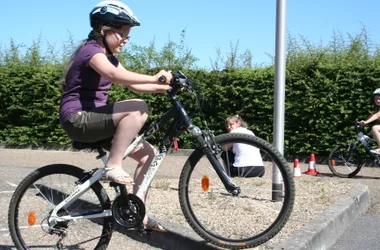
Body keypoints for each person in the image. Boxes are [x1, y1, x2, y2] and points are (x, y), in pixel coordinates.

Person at [59, 0, 172, 231]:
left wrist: (167, 88)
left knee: (148, 155)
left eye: (127, 35)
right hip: (78, 118)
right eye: (121, 33)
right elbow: (117, 76)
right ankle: (113, 165)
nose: (126, 39)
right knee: (137, 108)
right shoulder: (91, 51)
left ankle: (140, 214)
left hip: (93, 119)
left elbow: (134, 85)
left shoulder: (109, 56)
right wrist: (155, 78)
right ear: (103, 30)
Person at [360, 88, 380, 154]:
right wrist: (365, 121)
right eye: (376, 99)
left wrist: (366, 122)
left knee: (375, 128)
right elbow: (373, 115)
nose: (377, 100)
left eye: (379, 98)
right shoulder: (378, 108)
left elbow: (377, 115)